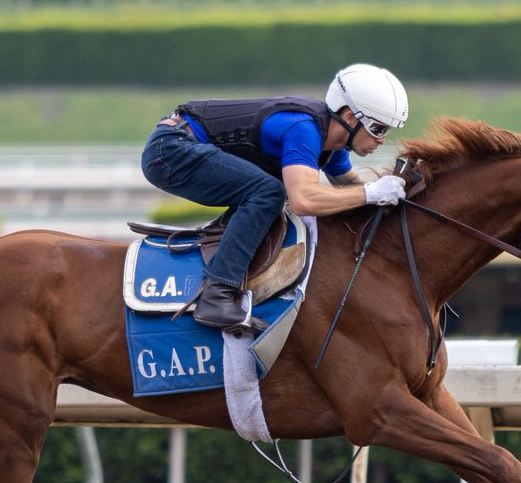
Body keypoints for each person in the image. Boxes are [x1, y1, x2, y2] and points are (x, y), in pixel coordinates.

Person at [141, 63, 410, 331]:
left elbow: (350, 189)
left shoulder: (333, 145)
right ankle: (218, 293)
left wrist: (390, 198)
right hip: (171, 151)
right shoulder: (304, 130)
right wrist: (372, 192)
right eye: (378, 129)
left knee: (267, 192)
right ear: (350, 117)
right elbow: (303, 200)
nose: (382, 140)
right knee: (268, 192)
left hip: (183, 144)